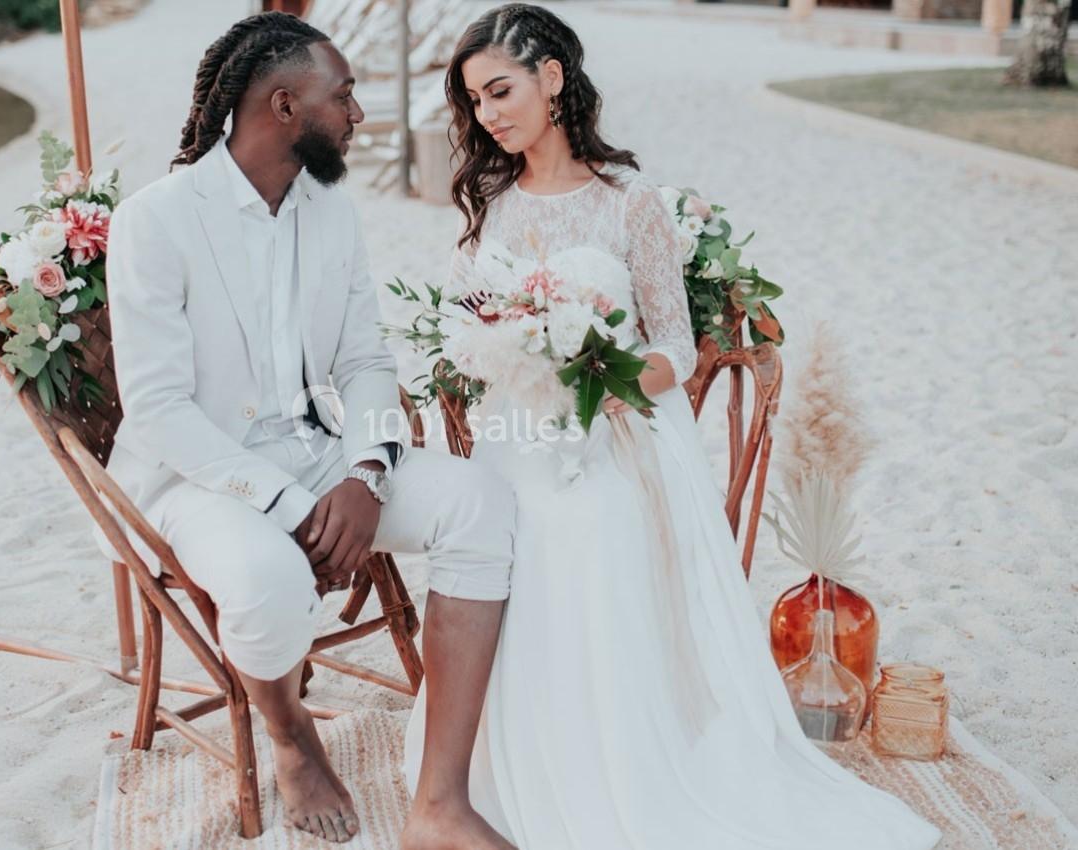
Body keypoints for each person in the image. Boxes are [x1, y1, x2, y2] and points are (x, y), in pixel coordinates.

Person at [403, 5, 943, 848]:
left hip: (614, 432)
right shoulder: (493, 207)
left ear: (553, 77)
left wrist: (603, 376)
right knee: (496, 528)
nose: (488, 116)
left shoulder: (631, 205)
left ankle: (618, 763)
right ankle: (486, 776)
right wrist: (504, 355)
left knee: (592, 523)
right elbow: (467, 334)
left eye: (500, 90)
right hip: (518, 439)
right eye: (474, 101)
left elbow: (673, 347)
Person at [102, 14, 516, 847]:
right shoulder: (157, 220)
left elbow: (365, 357)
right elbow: (158, 409)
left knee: (480, 502)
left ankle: (441, 794)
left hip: (321, 445)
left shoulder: (330, 208)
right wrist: (294, 507)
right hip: (195, 473)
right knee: (266, 581)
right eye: (346, 95)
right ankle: (290, 731)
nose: (358, 113)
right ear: (285, 105)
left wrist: (366, 475)